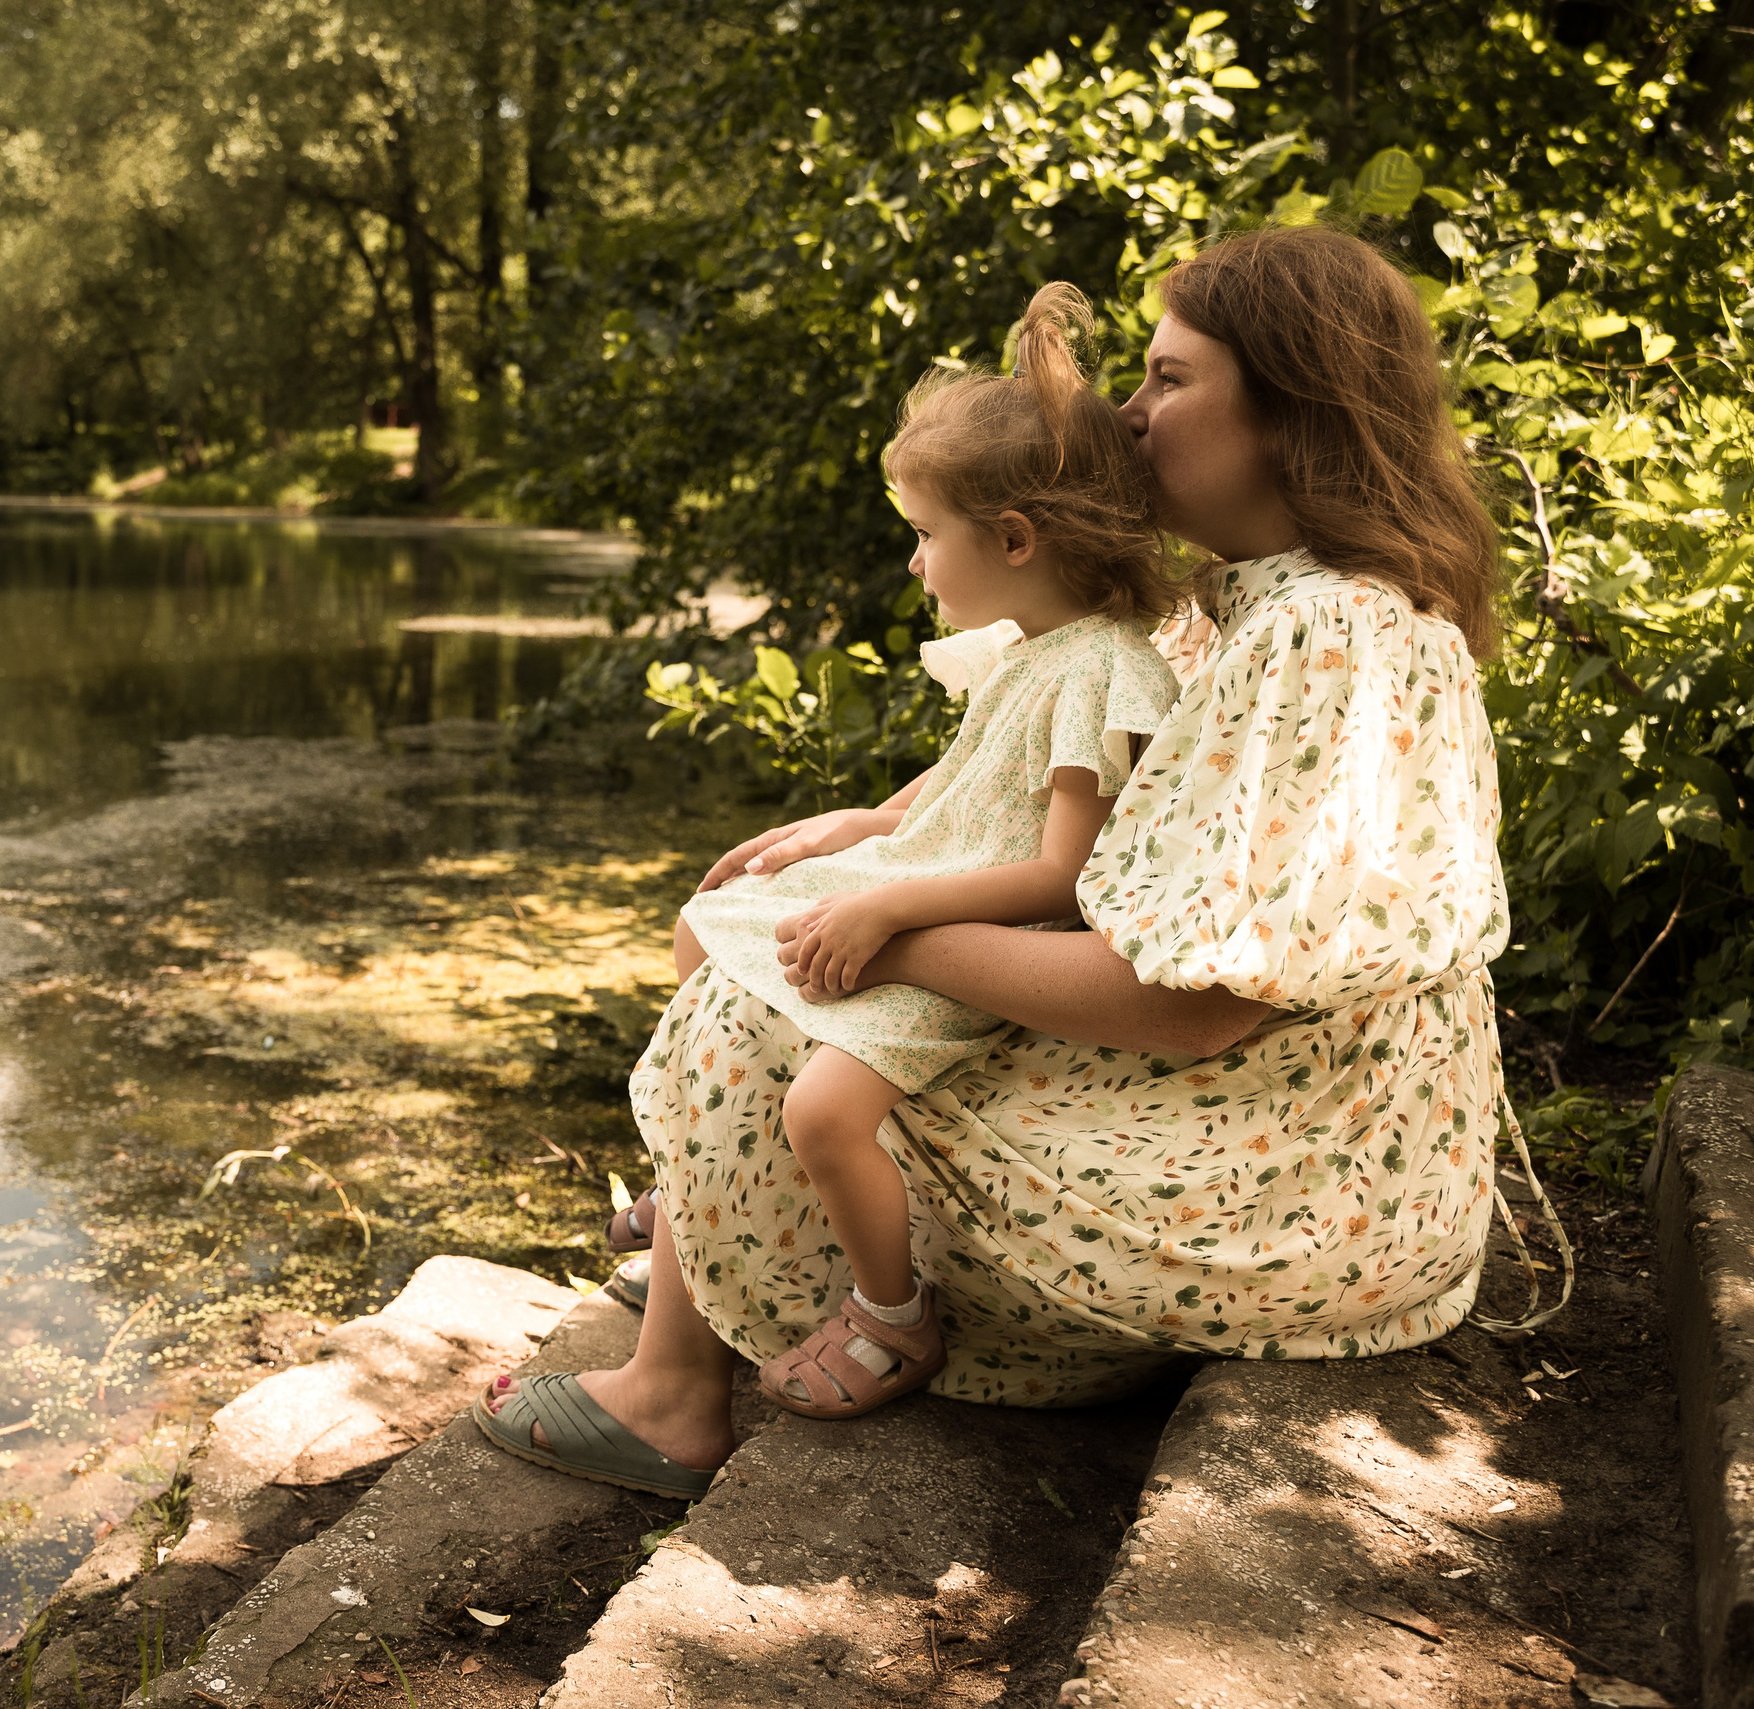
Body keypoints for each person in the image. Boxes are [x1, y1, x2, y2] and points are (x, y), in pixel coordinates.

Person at [477, 224, 1564, 1500]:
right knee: (793, 952)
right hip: (1311, 1136)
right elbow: (1078, 790)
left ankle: (672, 1393)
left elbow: (1195, 1003)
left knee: (763, 999)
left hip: (1293, 1188)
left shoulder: (1326, 636)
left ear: (1289, 412)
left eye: (1168, 378)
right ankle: (721, 1244)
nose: (1128, 410)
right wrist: (864, 836)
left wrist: (893, 925)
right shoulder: (1271, 603)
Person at [652, 282, 1183, 1420]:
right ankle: (702, 1181)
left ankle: (891, 1314)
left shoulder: (1103, 670)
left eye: (922, 537)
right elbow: (970, 775)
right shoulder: (1040, 649)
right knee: (706, 922)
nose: (912, 566)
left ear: (1012, 538)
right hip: (927, 880)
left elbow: (1062, 875)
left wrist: (891, 912)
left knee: (823, 1111)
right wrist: (867, 824)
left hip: (982, 933)